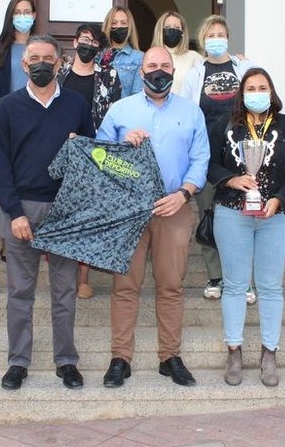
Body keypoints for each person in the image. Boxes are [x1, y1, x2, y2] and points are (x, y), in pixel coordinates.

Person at [97, 46, 209, 388]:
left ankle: (170, 357)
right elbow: (99, 156)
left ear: (173, 70)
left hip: (173, 208)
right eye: (152, 65)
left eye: (164, 65)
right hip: (129, 211)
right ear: (141, 70)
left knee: (171, 286)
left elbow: (200, 160)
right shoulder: (120, 110)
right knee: (125, 286)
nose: (158, 70)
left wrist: (184, 194)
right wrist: (121, 145)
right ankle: (120, 359)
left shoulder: (191, 112)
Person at [0, 34, 95, 391]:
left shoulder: (77, 105)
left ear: (59, 62)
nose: (40, 64)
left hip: (64, 211)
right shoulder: (5, 107)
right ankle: (18, 361)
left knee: (65, 291)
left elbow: (88, 157)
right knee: (20, 291)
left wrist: (78, 208)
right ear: (23, 64)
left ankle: (66, 361)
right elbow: (0, 165)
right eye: (33, 58)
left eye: (48, 58)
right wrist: (14, 213)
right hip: (21, 209)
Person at [207, 68, 285, 386]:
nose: (256, 92)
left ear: (272, 91)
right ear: (241, 92)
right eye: (250, 87)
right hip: (232, 213)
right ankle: (234, 351)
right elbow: (209, 162)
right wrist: (231, 179)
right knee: (235, 285)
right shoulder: (226, 124)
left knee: (269, 287)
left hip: (275, 217)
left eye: (262, 87)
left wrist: (279, 198)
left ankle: (269, 353)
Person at [178, 14, 255, 301]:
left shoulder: (245, 67)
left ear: (228, 37)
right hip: (206, 158)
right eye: (210, 35)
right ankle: (216, 276)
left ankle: (243, 280)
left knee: (241, 219)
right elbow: (186, 115)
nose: (216, 39)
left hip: (242, 156)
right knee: (209, 215)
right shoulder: (195, 73)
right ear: (204, 39)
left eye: (221, 33)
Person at [58, 23, 122, 299]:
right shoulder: (58, 72)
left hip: (95, 154)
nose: (88, 45)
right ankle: (64, 272)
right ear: (75, 42)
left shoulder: (109, 76)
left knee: (87, 216)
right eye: (85, 39)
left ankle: (83, 276)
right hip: (59, 151)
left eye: (94, 42)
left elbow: (115, 114)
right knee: (62, 213)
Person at [0, 0, 38, 269]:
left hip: (34, 120)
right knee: (6, 176)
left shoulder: (41, 47)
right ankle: (6, 237)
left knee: (26, 174)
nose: (24, 16)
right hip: (5, 119)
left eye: (28, 11)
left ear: (35, 15)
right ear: (11, 16)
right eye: (19, 11)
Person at [150, 11, 203, 95]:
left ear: (183, 32)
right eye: (167, 27)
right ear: (160, 31)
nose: (172, 30)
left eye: (177, 27)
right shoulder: (150, 57)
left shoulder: (194, 58)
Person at [99, 5, 144, 98]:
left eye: (123, 23)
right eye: (114, 23)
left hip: (124, 110)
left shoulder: (139, 58)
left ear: (129, 26)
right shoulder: (98, 55)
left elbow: (137, 96)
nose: (119, 26)